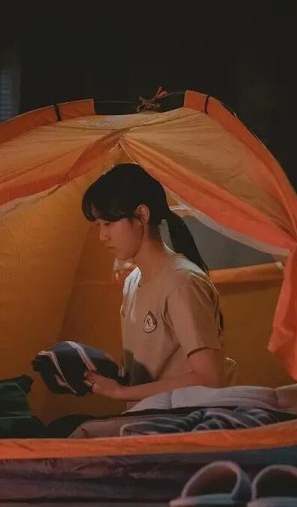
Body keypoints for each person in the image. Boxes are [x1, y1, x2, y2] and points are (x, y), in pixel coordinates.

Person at [80, 163, 226, 405]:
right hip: (145, 417)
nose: (102, 236)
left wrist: (120, 393)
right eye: (99, 226)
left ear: (142, 215)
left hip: (180, 418)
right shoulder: (132, 282)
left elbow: (209, 378)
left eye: (108, 224)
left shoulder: (182, 282)